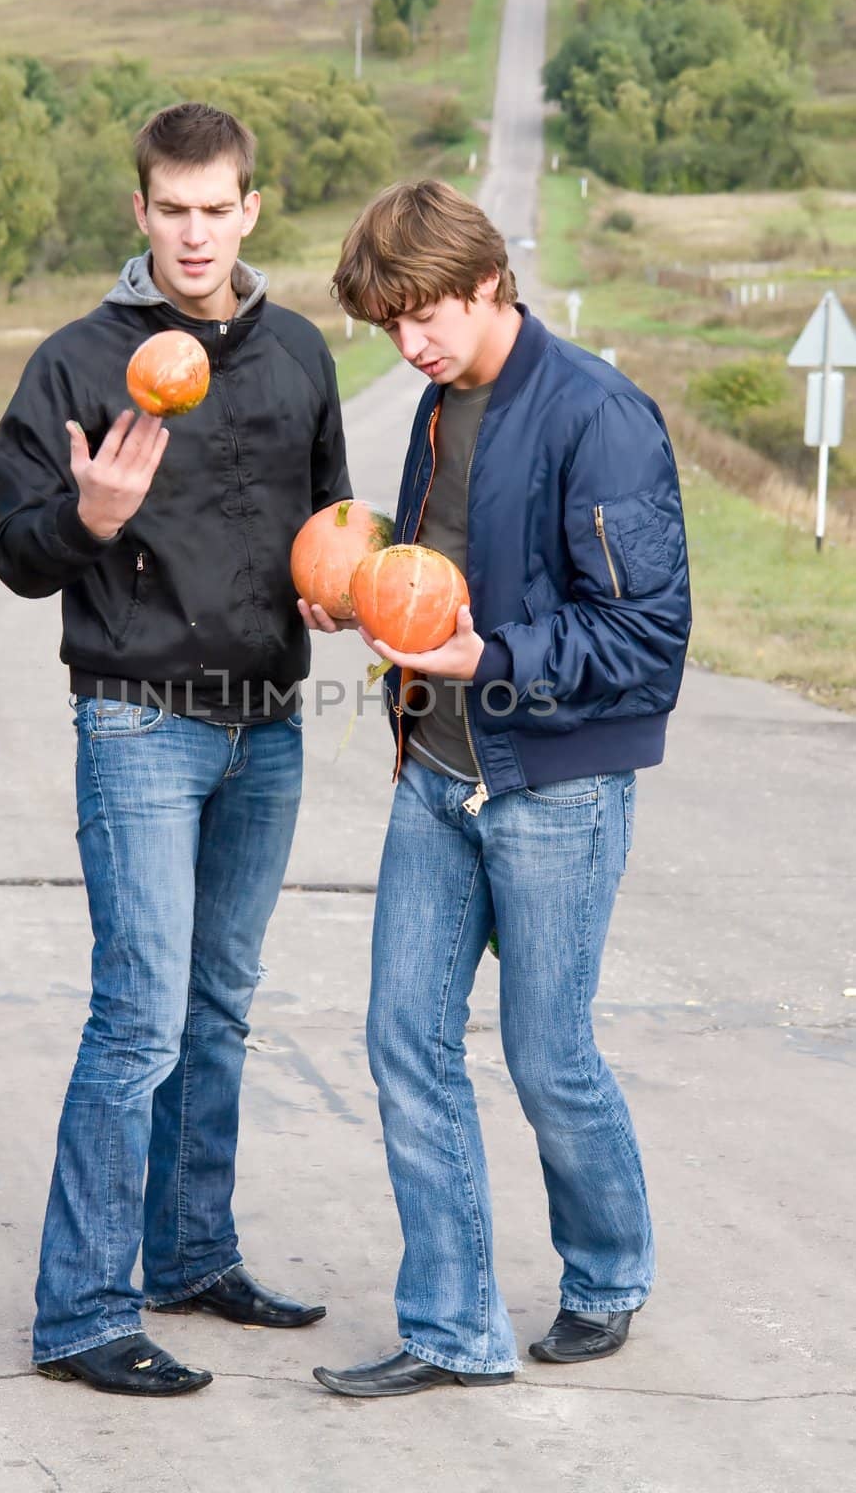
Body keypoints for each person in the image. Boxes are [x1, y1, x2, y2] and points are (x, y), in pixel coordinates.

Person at [301, 179, 692, 1398]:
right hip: (439, 774)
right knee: (400, 1041)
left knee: (545, 1055)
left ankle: (608, 1272)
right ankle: (450, 1328)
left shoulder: (600, 417)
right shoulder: (437, 402)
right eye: (388, 323)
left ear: (487, 281)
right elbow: (438, 572)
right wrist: (358, 596)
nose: (407, 340)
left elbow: (648, 639)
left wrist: (491, 658)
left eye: (421, 312)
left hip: (552, 792)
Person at [0, 102, 350, 1398]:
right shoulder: (78, 364)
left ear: (250, 209)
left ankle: (190, 1250)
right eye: (172, 210)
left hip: (266, 730)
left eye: (218, 208)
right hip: (138, 720)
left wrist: (336, 590)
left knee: (217, 1010)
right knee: (137, 1017)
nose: (195, 234)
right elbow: (15, 556)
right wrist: (87, 517)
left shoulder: (300, 353)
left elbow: (329, 528)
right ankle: (82, 1314)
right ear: (140, 213)